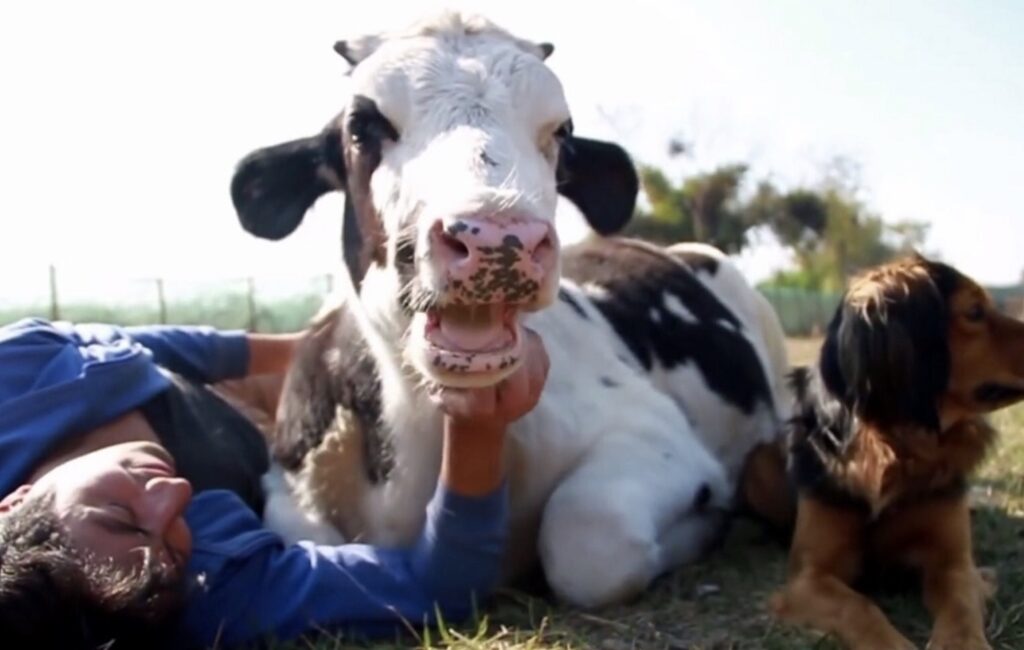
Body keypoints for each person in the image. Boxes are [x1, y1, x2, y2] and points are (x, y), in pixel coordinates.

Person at [0, 317, 549, 648]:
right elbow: (439, 588)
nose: (176, 495)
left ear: (14, 502)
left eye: (117, 516)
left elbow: (135, 343)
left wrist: (310, 346)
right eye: (170, 548)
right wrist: (477, 424)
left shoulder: (13, 369)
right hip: (272, 421)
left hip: (247, 371)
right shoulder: (213, 591)